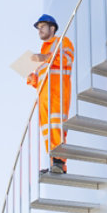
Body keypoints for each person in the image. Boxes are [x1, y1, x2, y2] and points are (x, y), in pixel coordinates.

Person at [26, 14, 74, 174]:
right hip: (45, 98)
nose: (39, 30)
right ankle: (54, 161)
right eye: (38, 28)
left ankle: (60, 163)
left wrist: (44, 58)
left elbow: (67, 59)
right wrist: (32, 77)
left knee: (56, 127)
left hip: (57, 94)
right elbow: (41, 77)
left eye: (42, 27)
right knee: (48, 131)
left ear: (52, 28)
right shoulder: (43, 51)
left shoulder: (62, 41)